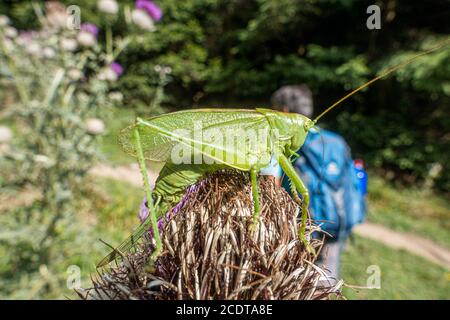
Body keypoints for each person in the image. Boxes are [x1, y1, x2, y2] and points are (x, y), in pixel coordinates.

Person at [264, 84, 367, 283]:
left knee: (290, 282)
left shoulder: (285, 140)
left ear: (284, 110)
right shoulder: (336, 141)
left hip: (301, 228)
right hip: (337, 224)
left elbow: (270, 185)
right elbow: (354, 181)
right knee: (325, 282)